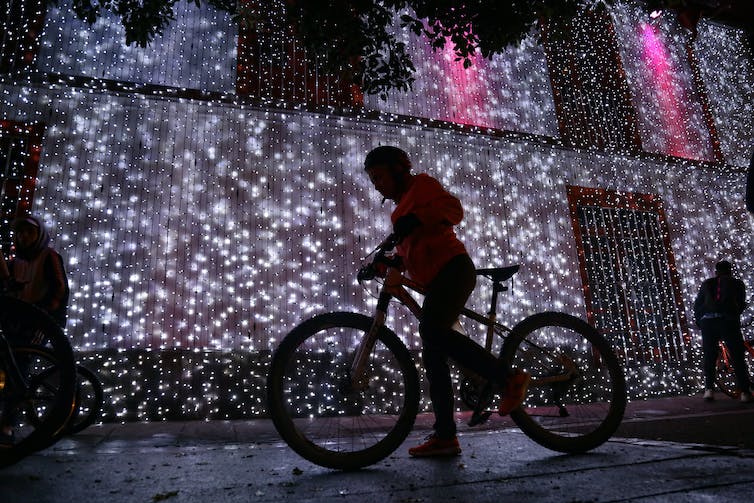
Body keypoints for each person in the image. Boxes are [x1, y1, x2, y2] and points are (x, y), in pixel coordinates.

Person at [364, 145, 530, 458]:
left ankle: (509, 379)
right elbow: (410, 250)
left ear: (398, 169)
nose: (376, 184)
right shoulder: (398, 212)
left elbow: (453, 210)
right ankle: (445, 437)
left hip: (453, 269)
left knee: (432, 331)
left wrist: (416, 218)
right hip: (435, 279)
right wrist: (385, 263)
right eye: (372, 180)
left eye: (379, 176)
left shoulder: (422, 185)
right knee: (434, 351)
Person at [0, 215, 70, 444]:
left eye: (29, 233)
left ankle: (8, 424)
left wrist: (45, 315)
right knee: (11, 366)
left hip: (40, 322)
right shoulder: (15, 261)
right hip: (17, 322)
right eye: (20, 233)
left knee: (19, 369)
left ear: (38, 234)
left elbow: (59, 290)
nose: (24, 237)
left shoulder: (48, 257)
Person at [693, 260, 751, 403]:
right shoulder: (737, 283)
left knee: (710, 355)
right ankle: (745, 392)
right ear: (730, 271)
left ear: (716, 271)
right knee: (737, 356)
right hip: (728, 321)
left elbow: (698, 304)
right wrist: (735, 315)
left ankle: (709, 390)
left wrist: (700, 321)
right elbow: (741, 302)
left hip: (708, 322)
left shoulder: (707, 283)